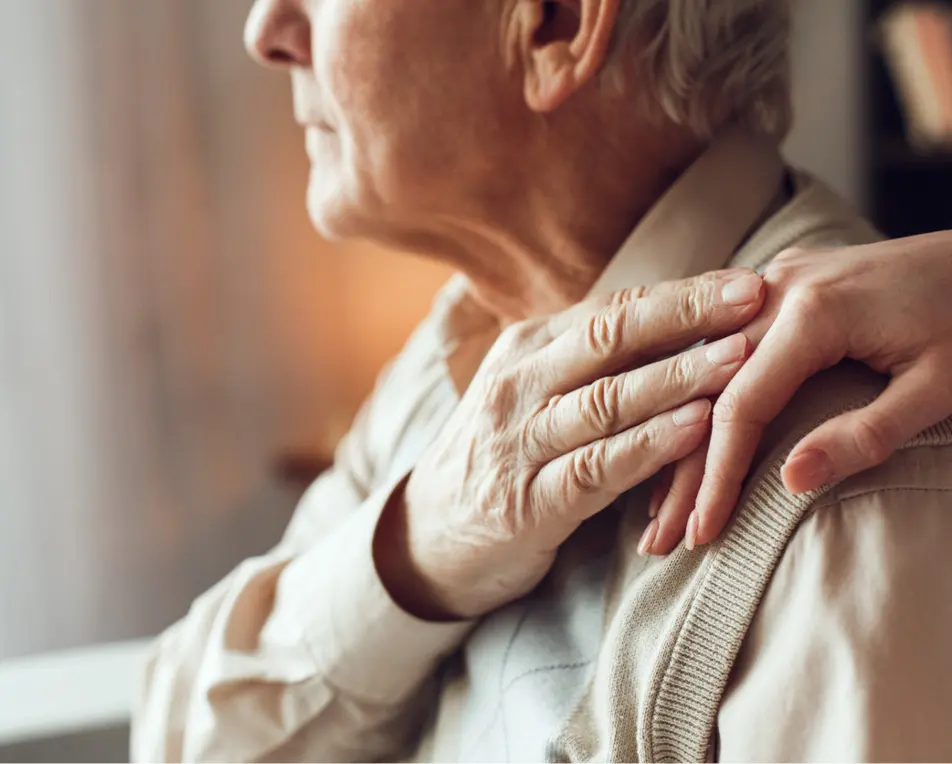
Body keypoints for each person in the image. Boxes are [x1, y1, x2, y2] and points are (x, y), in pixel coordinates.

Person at [132, 0, 952, 761]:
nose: (266, 28)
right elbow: (180, 739)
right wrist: (414, 547)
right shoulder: (457, 345)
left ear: (555, 23)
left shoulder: (852, 471)